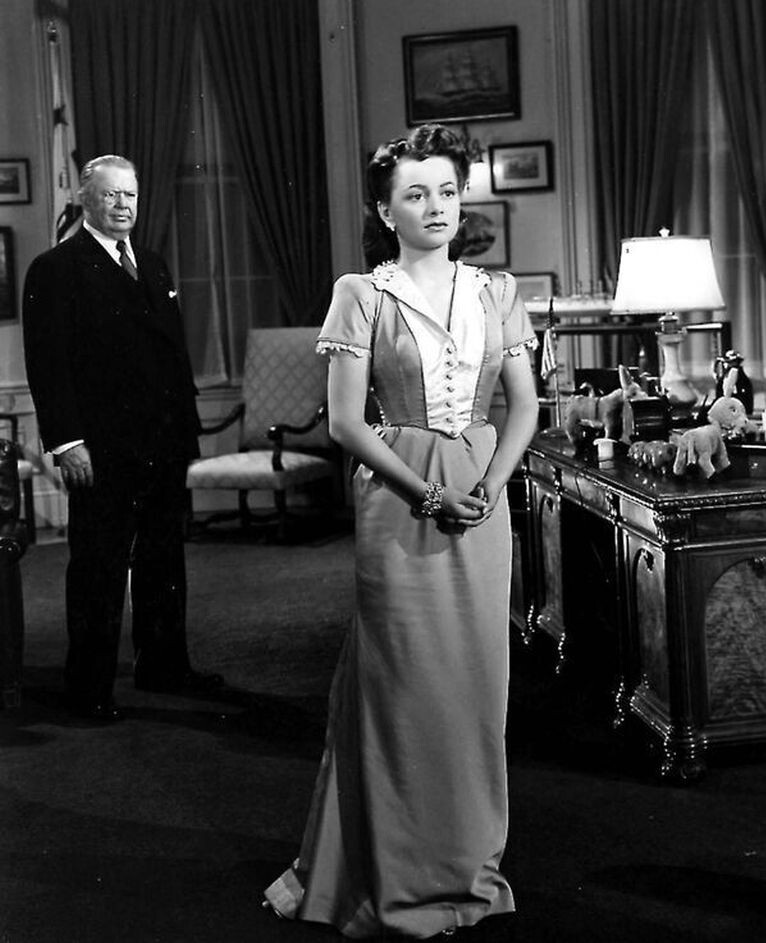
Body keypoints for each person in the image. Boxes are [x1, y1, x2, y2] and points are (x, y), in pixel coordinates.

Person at [264, 125, 539, 938]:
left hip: (483, 495)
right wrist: (428, 492)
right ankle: (398, 870)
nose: (436, 206)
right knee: (403, 684)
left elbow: (524, 406)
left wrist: (489, 485)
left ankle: (464, 861)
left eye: (447, 190)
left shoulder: (497, 292)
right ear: (386, 211)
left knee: (475, 689)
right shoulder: (362, 292)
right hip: (398, 494)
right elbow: (347, 423)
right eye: (416, 194)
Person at [22, 154, 222, 723]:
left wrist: (185, 432)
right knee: (99, 567)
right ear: (86, 200)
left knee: (164, 559)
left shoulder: (152, 264)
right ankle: (88, 688)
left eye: (130, 195)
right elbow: (47, 365)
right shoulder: (55, 268)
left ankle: (165, 666)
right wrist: (67, 442)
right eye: (110, 195)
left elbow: (171, 355)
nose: (122, 205)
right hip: (101, 448)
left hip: (163, 442)